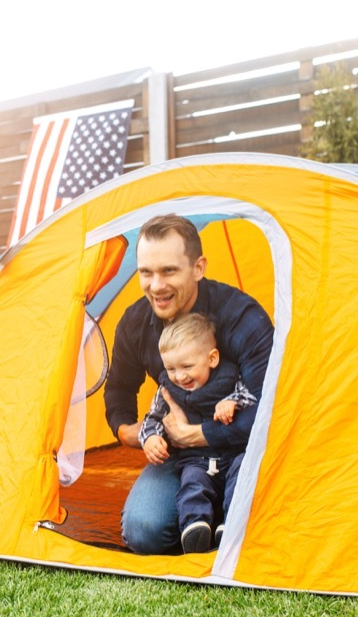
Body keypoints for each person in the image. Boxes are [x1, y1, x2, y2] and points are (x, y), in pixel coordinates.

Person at [104, 214, 274, 555]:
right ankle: (201, 525)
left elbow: (268, 409)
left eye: (169, 271)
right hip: (183, 459)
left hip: (244, 449)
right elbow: (119, 389)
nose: (156, 285)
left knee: (261, 518)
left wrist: (196, 434)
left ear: (198, 268)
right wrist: (136, 433)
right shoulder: (135, 322)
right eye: (146, 273)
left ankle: (227, 520)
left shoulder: (243, 317)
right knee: (144, 530)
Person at [140, 313, 257, 553]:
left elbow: (253, 400)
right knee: (192, 484)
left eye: (187, 366)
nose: (179, 376)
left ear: (212, 359)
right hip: (196, 459)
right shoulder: (168, 389)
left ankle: (231, 524)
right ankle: (195, 528)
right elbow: (152, 418)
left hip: (232, 454)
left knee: (241, 474)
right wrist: (151, 437)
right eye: (171, 368)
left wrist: (232, 402)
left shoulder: (230, 378)